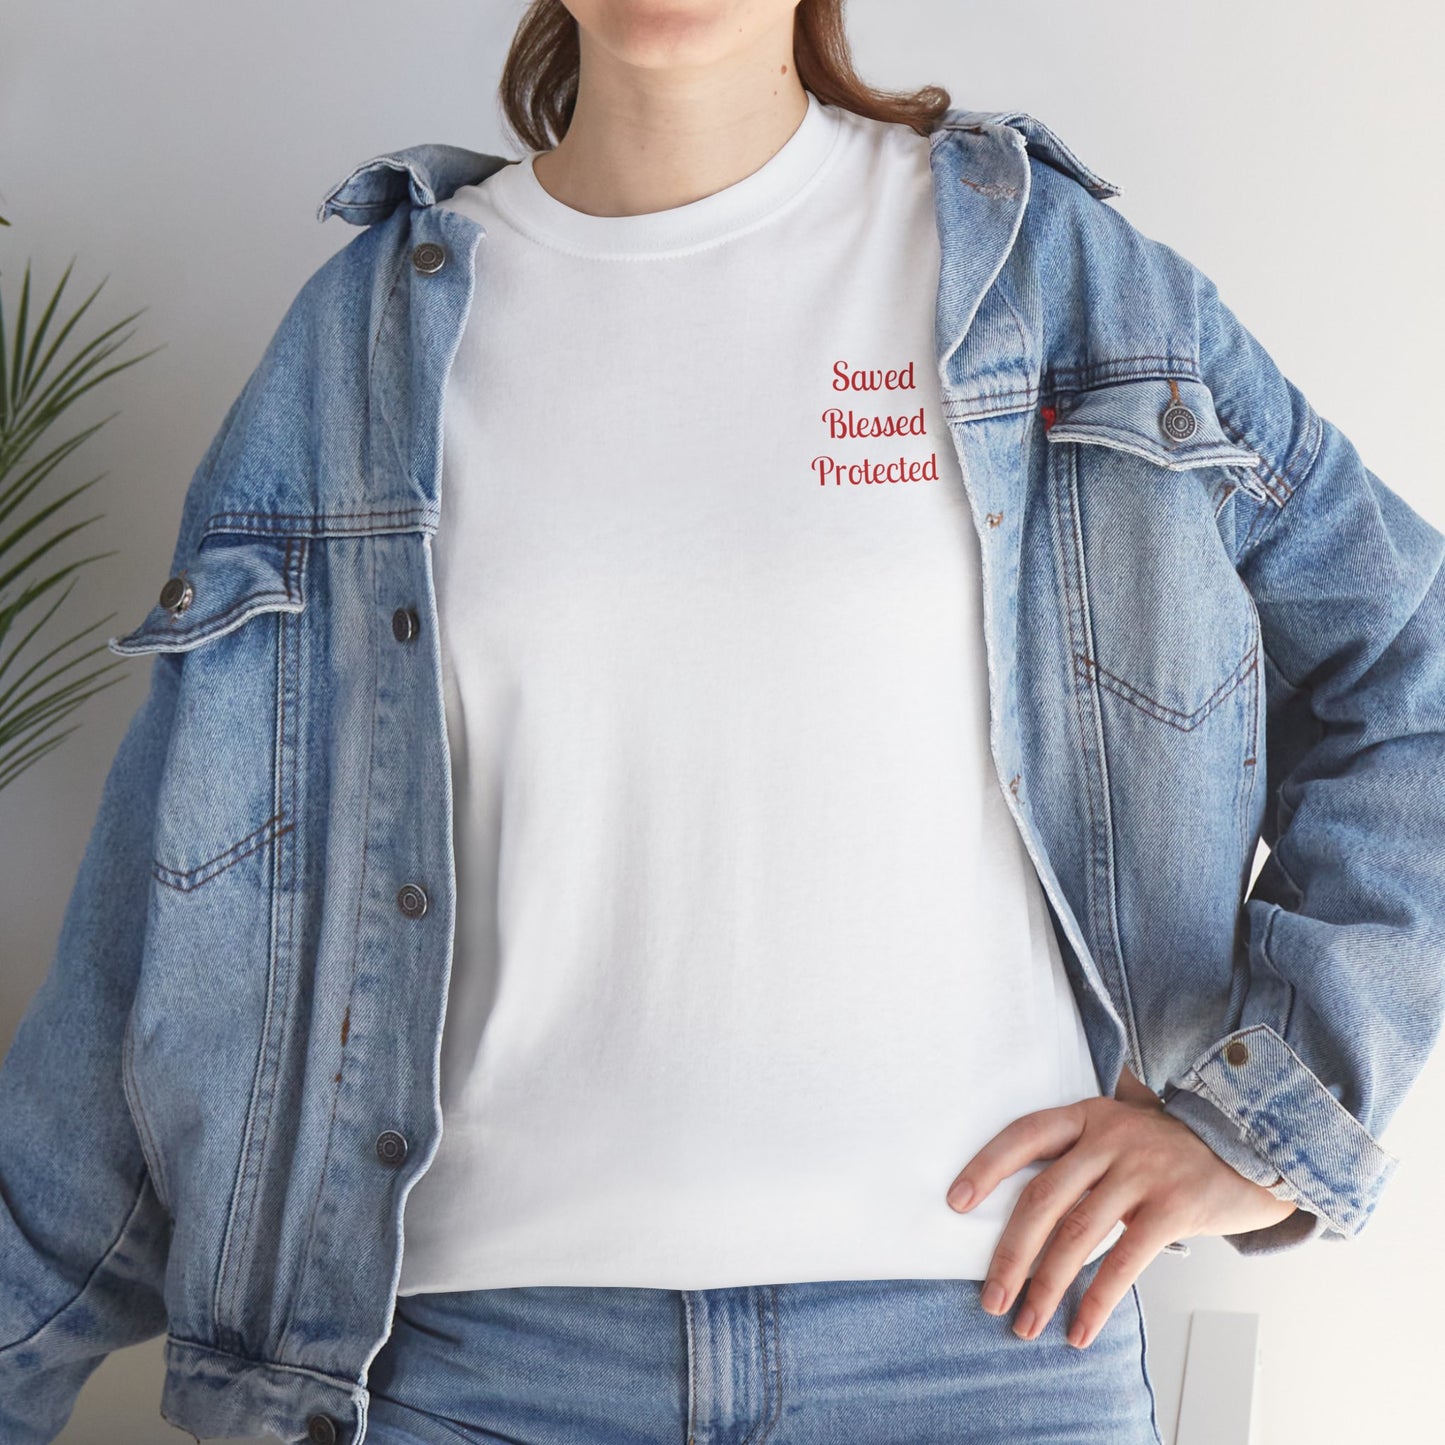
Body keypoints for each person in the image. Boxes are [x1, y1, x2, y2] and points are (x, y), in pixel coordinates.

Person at [3, 2, 1442, 1442]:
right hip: (470, 1370)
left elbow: (1407, 669)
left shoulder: (1054, 283)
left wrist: (1271, 1122)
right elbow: (171, 927)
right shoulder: (357, 345)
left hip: (983, 1349)